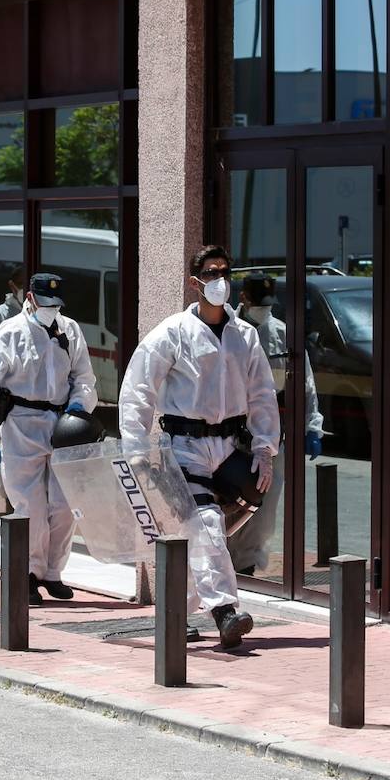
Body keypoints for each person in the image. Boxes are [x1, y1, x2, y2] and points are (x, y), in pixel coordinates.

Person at [119, 245, 281, 649]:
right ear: (195, 283)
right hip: (184, 447)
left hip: (228, 445)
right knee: (207, 524)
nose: (220, 281)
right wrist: (136, 450)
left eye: (226, 272)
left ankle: (176, 614)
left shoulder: (245, 335)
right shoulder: (171, 333)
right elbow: (138, 389)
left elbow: (262, 394)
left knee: (211, 526)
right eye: (211, 273)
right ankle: (225, 611)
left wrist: (264, 447)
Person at [0, 273, 97, 605]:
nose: (51, 309)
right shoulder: (9, 334)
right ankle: (27, 573)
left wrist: (81, 404)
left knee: (65, 504)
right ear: (30, 298)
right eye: (46, 303)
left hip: (62, 424)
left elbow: (83, 375)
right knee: (30, 506)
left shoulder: (69, 330)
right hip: (21, 425)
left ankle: (52, 572)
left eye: (56, 304)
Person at [227, 272, 323, 576]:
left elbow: (305, 384)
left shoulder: (282, 335)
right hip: (229, 431)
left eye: (268, 304)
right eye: (259, 303)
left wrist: (312, 426)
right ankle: (223, 559)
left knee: (264, 503)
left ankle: (247, 563)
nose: (264, 310)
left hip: (270, 431)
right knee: (228, 497)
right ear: (243, 299)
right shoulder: (228, 333)